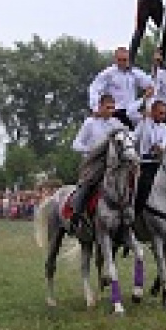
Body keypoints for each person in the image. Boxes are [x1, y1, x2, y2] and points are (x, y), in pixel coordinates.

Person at [69, 94, 126, 235]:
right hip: (93, 163)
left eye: (113, 108)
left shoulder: (117, 124)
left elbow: (128, 138)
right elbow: (76, 144)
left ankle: (128, 221)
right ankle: (76, 216)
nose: (111, 110)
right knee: (87, 184)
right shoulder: (90, 123)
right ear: (100, 107)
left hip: (113, 163)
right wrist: (91, 150)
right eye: (108, 107)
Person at [88, 47, 153, 129]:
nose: (122, 62)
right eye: (120, 60)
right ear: (115, 60)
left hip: (130, 113)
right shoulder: (108, 73)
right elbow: (94, 89)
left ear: (128, 60)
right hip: (114, 113)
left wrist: (148, 104)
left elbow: (150, 85)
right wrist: (96, 108)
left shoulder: (135, 73)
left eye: (125, 60)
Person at [131, 99, 166, 217]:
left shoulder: (165, 128)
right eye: (160, 113)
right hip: (145, 163)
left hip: (160, 164)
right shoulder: (143, 124)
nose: (163, 116)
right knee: (145, 185)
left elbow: (165, 143)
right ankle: (136, 214)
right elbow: (133, 138)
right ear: (152, 112)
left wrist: (161, 148)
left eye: (164, 114)